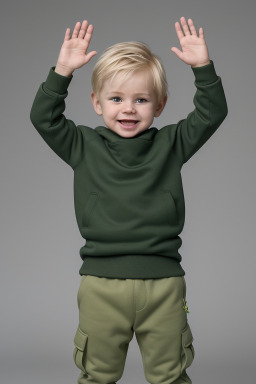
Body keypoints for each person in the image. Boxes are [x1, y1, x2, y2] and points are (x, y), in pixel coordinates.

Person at [30, 17, 228, 384]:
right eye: (116, 98)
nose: (128, 109)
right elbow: (43, 118)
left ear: (160, 105)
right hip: (101, 285)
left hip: (164, 284)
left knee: (170, 376)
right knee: (97, 376)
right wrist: (62, 71)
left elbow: (211, 113)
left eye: (141, 99)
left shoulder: (171, 144)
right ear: (96, 102)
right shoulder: (82, 145)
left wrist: (202, 67)